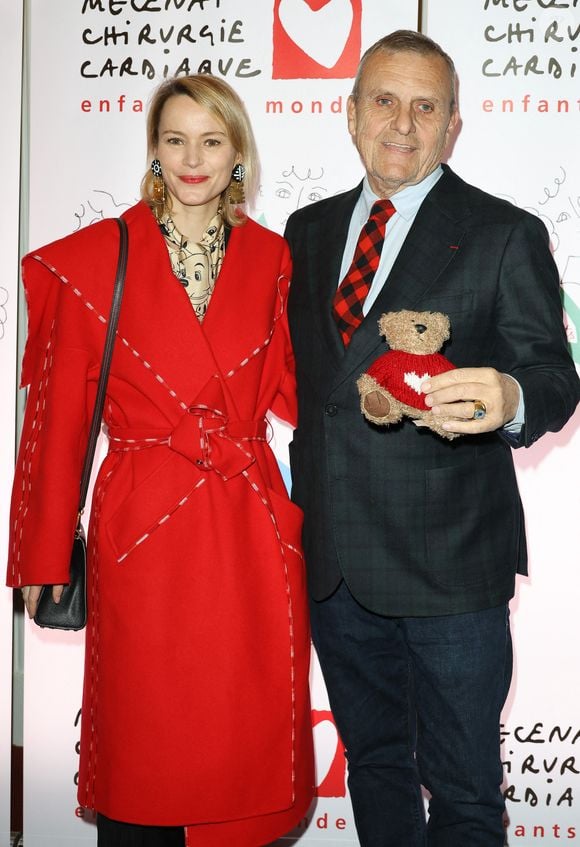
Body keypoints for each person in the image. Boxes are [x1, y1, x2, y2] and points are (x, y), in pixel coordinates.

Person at [284, 29, 580, 847]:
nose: (403, 124)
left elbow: (556, 377)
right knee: (375, 766)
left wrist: (511, 394)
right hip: (336, 565)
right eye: (384, 101)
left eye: (426, 107)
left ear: (454, 127)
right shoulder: (303, 233)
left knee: (464, 794)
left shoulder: (502, 232)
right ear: (351, 116)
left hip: (452, 569)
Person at [8, 74, 314, 846]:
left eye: (212, 141)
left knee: (239, 746)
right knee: (149, 745)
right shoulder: (93, 260)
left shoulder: (276, 259)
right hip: (144, 526)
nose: (193, 158)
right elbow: (59, 423)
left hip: (248, 525)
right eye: (175, 139)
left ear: (238, 152)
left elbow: (300, 396)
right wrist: (42, 553)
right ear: (153, 148)